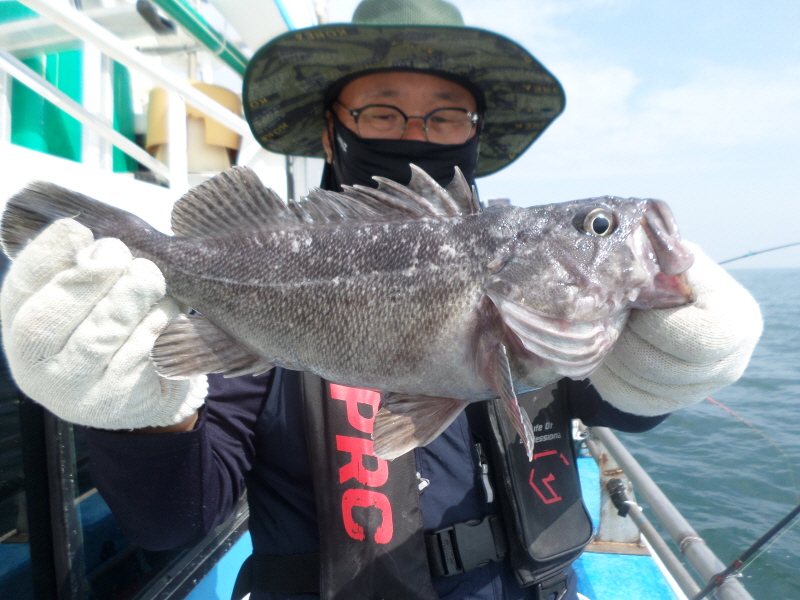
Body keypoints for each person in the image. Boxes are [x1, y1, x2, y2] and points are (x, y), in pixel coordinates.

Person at [0, 1, 763, 599]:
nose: (416, 133)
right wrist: (144, 416)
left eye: (445, 113)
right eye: (383, 111)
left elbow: (610, 402)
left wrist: (673, 361)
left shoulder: (537, 272)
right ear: (334, 134)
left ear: (474, 132)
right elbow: (173, 520)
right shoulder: (265, 267)